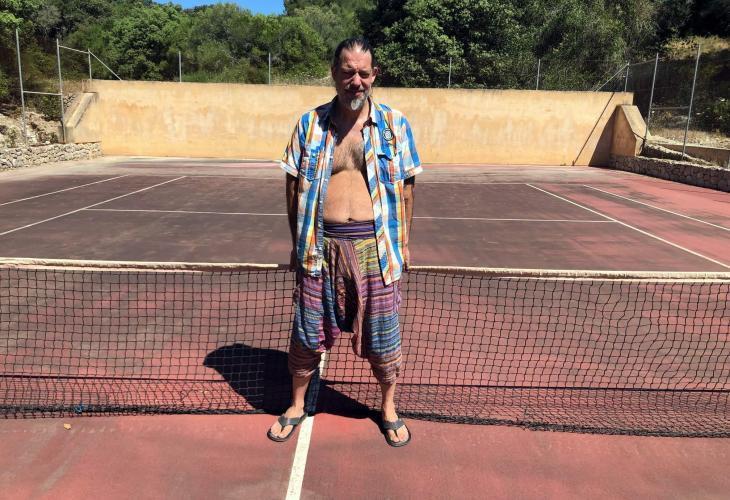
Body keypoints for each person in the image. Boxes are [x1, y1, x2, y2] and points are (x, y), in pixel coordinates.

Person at [267, 37, 422, 447]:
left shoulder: (395, 125)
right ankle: (296, 404)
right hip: (320, 246)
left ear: (375, 75)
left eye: (364, 73)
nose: (356, 81)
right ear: (334, 73)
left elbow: (407, 188)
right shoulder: (309, 125)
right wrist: (297, 242)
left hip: (376, 248)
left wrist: (404, 243)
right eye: (348, 72)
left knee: (383, 335)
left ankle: (388, 407)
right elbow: (292, 186)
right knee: (307, 332)